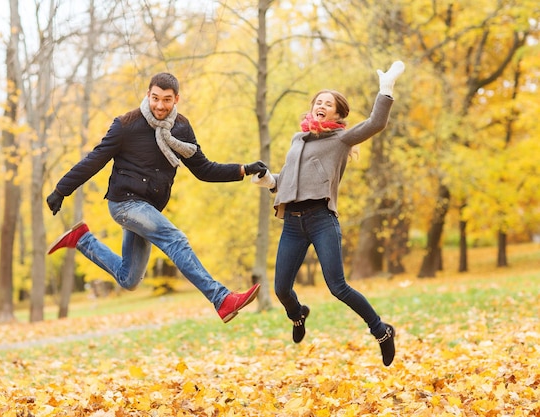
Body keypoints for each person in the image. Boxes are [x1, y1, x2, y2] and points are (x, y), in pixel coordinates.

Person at [46, 72, 267, 323]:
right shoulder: (126, 125)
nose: (160, 105)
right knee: (175, 239)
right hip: (125, 204)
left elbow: (204, 170)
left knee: (129, 279)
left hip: (149, 208)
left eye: (167, 100)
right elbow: (94, 159)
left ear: (176, 99)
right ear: (147, 95)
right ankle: (222, 299)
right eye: (155, 98)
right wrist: (61, 190)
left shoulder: (181, 129)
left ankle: (82, 239)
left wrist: (243, 169)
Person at [252, 61, 405, 366]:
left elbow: (376, 123)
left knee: (338, 286)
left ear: (337, 114)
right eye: (318, 102)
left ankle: (382, 331)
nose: (321, 106)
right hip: (293, 224)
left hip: (321, 220)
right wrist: (270, 180)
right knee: (282, 287)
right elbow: (290, 180)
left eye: (328, 104)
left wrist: (385, 91)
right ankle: (298, 315)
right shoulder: (298, 139)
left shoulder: (340, 140)